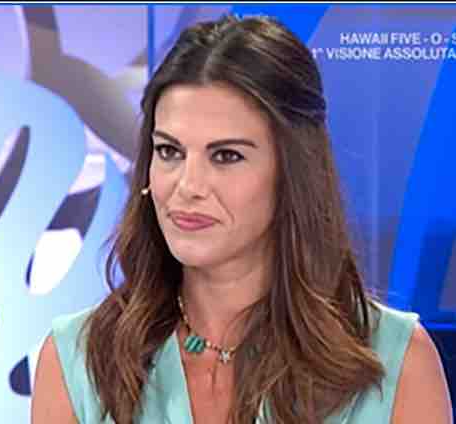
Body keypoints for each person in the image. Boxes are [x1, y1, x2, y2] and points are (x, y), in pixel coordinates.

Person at [30, 13, 452, 424]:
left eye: (226, 156)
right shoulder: (79, 360)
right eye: (169, 152)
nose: (188, 186)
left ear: (292, 173)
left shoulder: (397, 364)